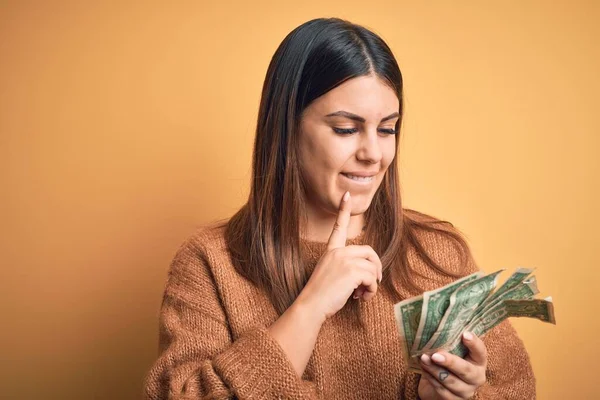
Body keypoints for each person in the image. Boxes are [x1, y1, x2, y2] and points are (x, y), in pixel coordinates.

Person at [143, 17, 535, 400]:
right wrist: (310, 307)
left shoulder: (437, 252)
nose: (373, 154)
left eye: (387, 129)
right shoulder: (209, 264)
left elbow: (517, 390)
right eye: (346, 129)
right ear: (287, 129)